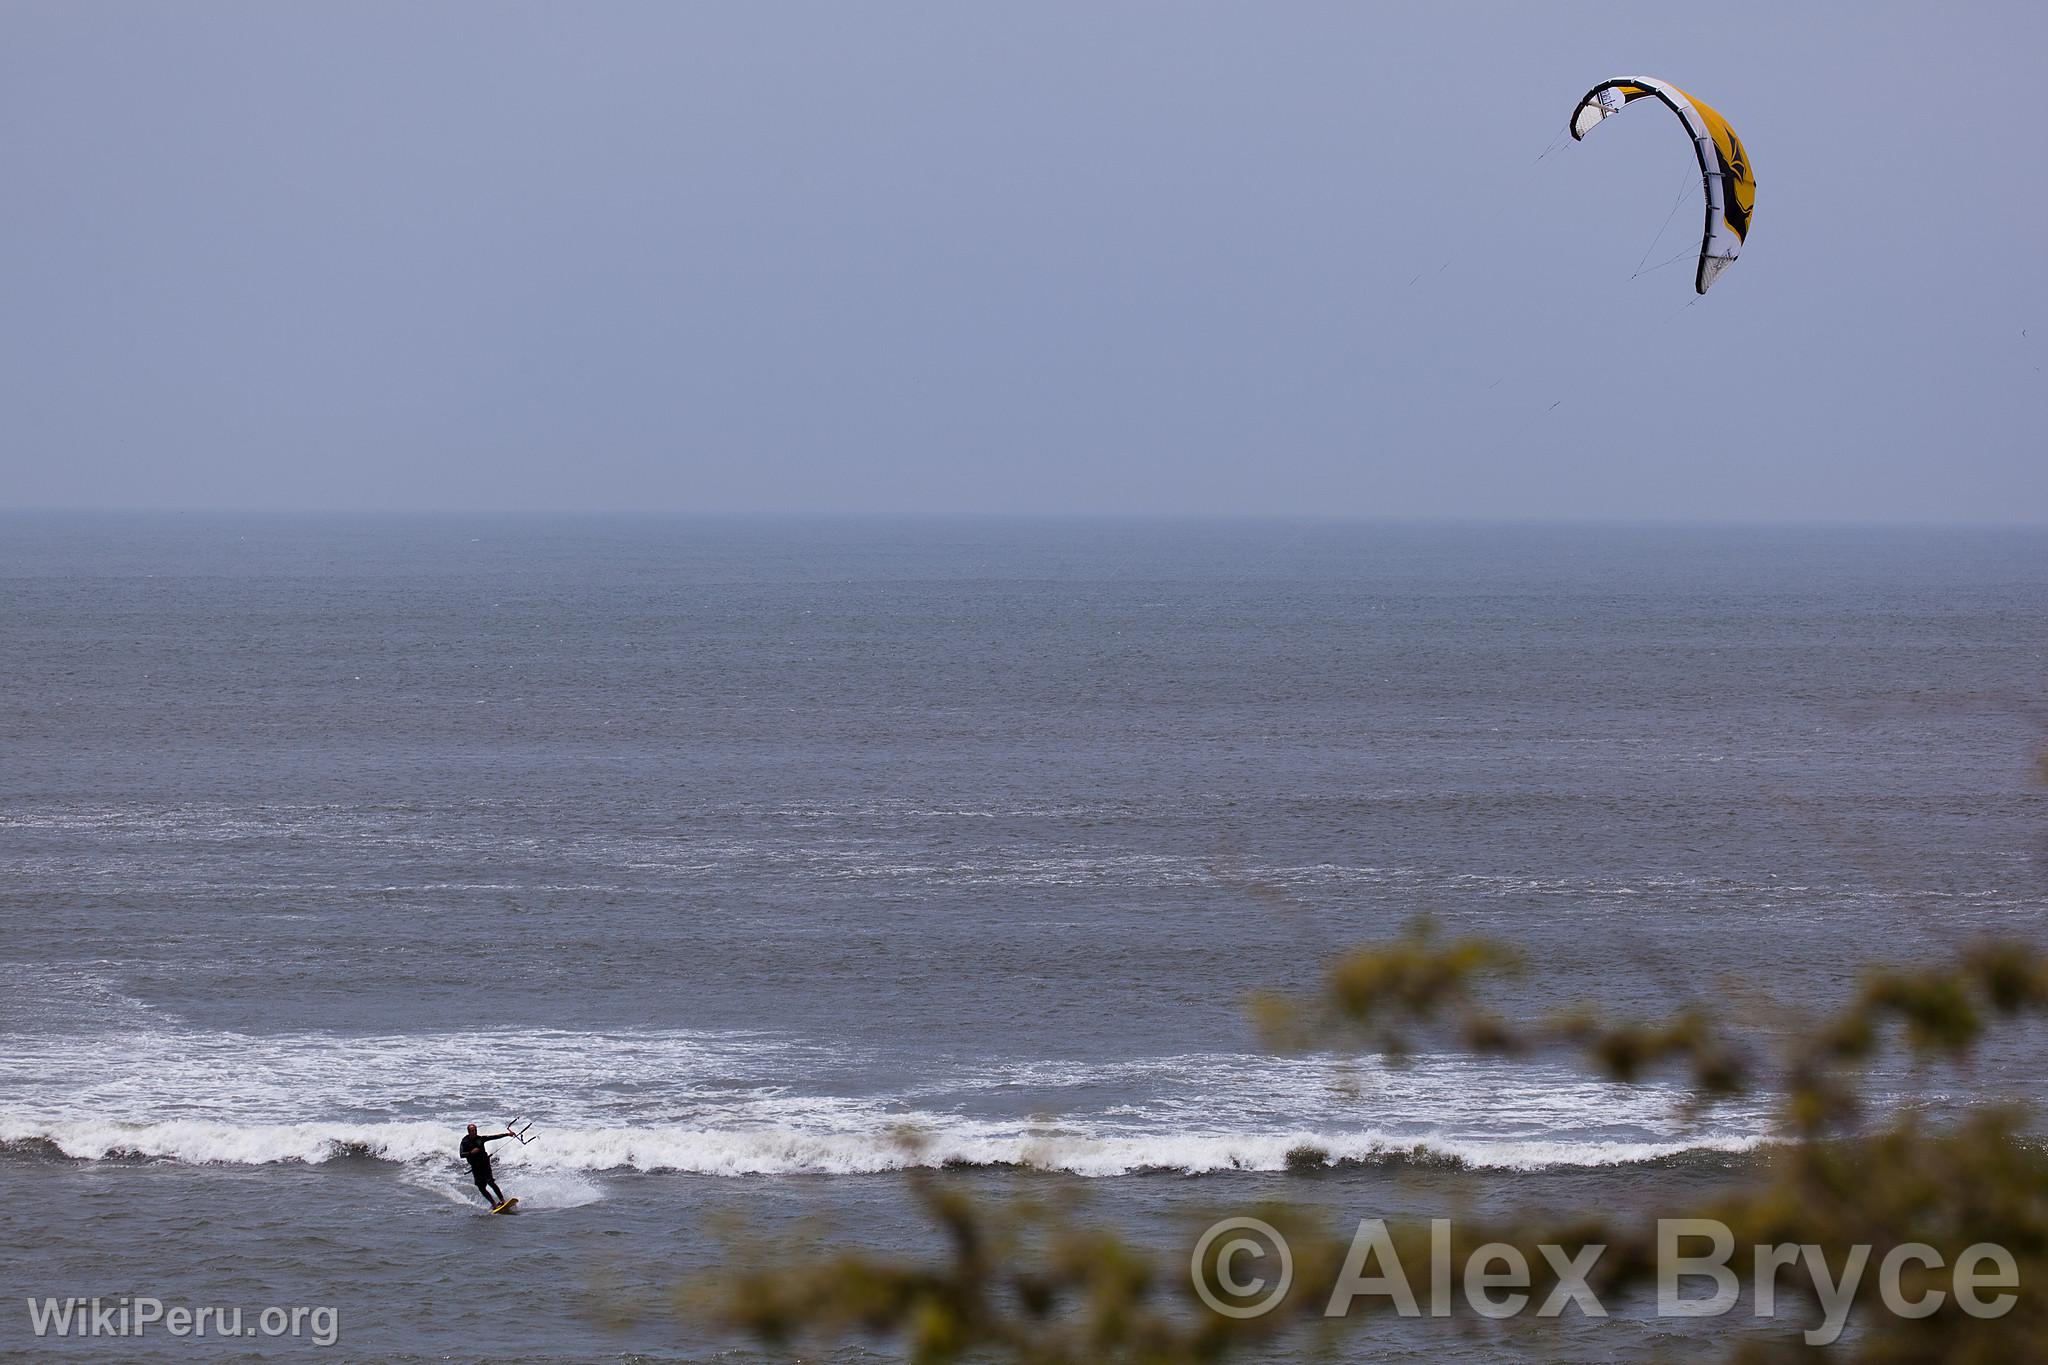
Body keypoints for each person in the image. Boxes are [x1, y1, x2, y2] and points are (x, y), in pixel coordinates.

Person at [460, 1123, 516, 1207]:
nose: (474, 1132)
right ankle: (493, 1204)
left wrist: (508, 1134)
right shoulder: (464, 1142)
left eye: (475, 1130)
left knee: (490, 1182)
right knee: (481, 1187)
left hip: (485, 1164)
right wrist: (471, 1152)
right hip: (475, 1166)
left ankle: (502, 1200)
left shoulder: (480, 1139)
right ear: (469, 1132)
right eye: (472, 1131)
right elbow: (461, 1154)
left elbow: (494, 1137)